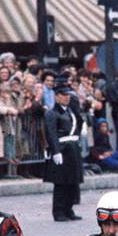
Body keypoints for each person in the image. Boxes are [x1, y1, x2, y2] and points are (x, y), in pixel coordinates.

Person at [42, 80, 83, 222]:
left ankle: (69, 209)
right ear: (57, 96)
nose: (67, 97)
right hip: (62, 150)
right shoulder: (52, 113)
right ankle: (59, 211)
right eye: (64, 95)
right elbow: (51, 133)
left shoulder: (71, 111)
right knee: (61, 182)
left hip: (72, 149)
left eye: (68, 95)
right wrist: (56, 151)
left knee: (72, 181)